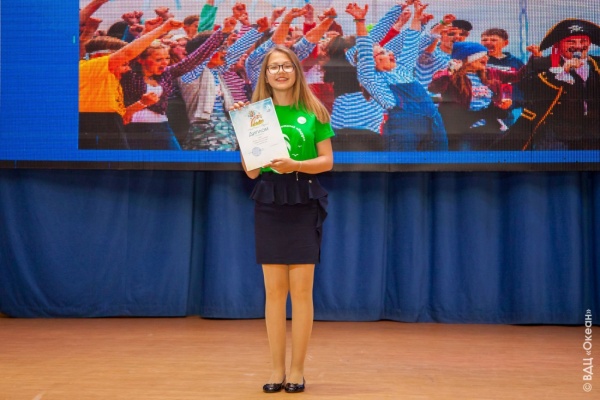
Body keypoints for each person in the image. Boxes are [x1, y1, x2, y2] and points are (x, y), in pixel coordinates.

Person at [230, 46, 334, 394]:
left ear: (296, 71)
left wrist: (296, 165)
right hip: (270, 200)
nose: (280, 72)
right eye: (274, 67)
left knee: (301, 292)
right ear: (265, 74)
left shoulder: (314, 111)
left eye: (287, 66)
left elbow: (326, 161)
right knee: (274, 293)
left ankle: (297, 372)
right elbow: (252, 171)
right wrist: (242, 132)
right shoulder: (254, 115)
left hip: (304, 199)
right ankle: (276, 370)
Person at [350, 1, 448, 151]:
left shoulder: (403, 68)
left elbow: (412, 40)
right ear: (372, 61)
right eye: (382, 52)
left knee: (438, 162)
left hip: (433, 121)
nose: (390, 52)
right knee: (404, 164)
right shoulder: (371, 79)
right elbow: (364, 50)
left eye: (386, 50)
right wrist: (360, 21)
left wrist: (417, 16)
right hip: (403, 127)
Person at [493, 19, 600, 150]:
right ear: (559, 44)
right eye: (571, 42)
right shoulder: (541, 63)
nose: (578, 46)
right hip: (554, 135)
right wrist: (562, 72)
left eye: (583, 41)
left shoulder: (597, 64)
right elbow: (526, 88)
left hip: (593, 134)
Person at [428, 41, 519, 150]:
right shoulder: (451, 76)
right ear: (468, 59)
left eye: (486, 55)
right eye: (482, 55)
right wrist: (450, 71)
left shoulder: (487, 74)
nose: (487, 58)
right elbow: (434, 88)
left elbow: (518, 76)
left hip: (489, 127)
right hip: (464, 130)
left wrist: (535, 59)